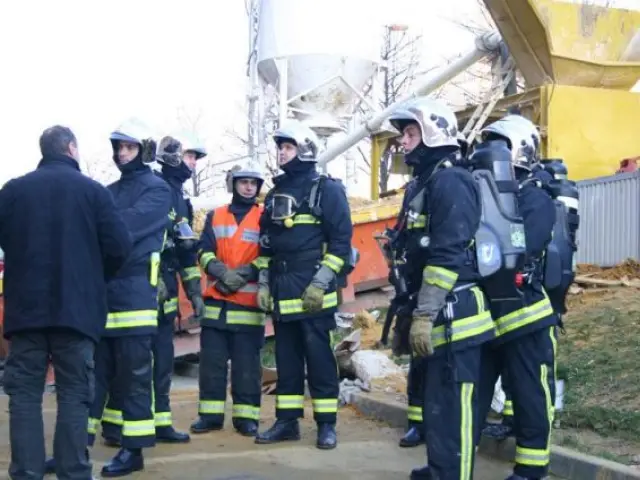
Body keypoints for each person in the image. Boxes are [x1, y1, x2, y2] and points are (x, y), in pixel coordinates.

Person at [0, 125, 132, 480]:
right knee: (74, 393)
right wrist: (92, 278)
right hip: (77, 312)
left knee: (25, 395)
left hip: (25, 314)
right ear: (72, 148)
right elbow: (120, 247)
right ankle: (73, 472)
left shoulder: (13, 191)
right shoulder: (94, 193)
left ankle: (26, 472)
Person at [387, 97, 496, 480]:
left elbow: (447, 254)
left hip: (455, 318)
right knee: (436, 407)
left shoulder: (452, 180)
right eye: (404, 134)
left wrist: (423, 314)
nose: (404, 142)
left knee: (452, 412)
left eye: (411, 132)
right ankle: (439, 470)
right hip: (434, 315)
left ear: (434, 133)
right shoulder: (425, 182)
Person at [255, 120, 353, 450]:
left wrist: (320, 284)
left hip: (313, 293)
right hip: (282, 293)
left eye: (288, 147)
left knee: (320, 359)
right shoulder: (273, 196)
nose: (282, 153)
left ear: (306, 150)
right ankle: (287, 422)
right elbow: (265, 247)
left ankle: (327, 424)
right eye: (280, 148)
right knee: (288, 360)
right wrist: (265, 284)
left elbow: (341, 245)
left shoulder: (327, 189)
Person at [475, 115, 558, 480]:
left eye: (500, 146)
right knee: (472, 394)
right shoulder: (483, 196)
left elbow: (528, 246)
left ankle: (531, 469)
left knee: (529, 395)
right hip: (486, 318)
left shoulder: (535, 197)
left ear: (520, 151)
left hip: (526, 317)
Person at [90, 118, 171, 477]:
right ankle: (75, 447)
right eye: (119, 147)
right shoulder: (107, 191)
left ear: (145, 150)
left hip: (136, 298)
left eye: (130, 147)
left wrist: (102, 226)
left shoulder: (158, 189)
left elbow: (125, 229)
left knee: (136, 377)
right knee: (91, 378)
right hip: (102, 296)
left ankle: (133, 451)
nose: (122, 154)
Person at [190, 162, 267, 437]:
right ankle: (209, 417)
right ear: (233, 184)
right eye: (243, 182)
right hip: (216, 304)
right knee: (211, 366)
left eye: (253, 183)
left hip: (247, 306)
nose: (248, 187)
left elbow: (269, 254)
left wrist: (244, 274)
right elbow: (203, 250)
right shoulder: (216, 215)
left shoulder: (266, 216)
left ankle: (246, 419)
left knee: (247, 367)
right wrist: (221, 272)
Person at [146, 133, 208, 443]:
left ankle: (161, 423)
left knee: (163, 361)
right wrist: (152, 281)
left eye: (196, 158)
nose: (193, 163)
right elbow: (140, 242)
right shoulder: (153, 190)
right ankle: (119, 425)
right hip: (141, 295)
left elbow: (185, 253)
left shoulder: (181, 199)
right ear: (171, 156)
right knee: (134, 362)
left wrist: (195, 292)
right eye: (189, 156)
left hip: (166, 298)